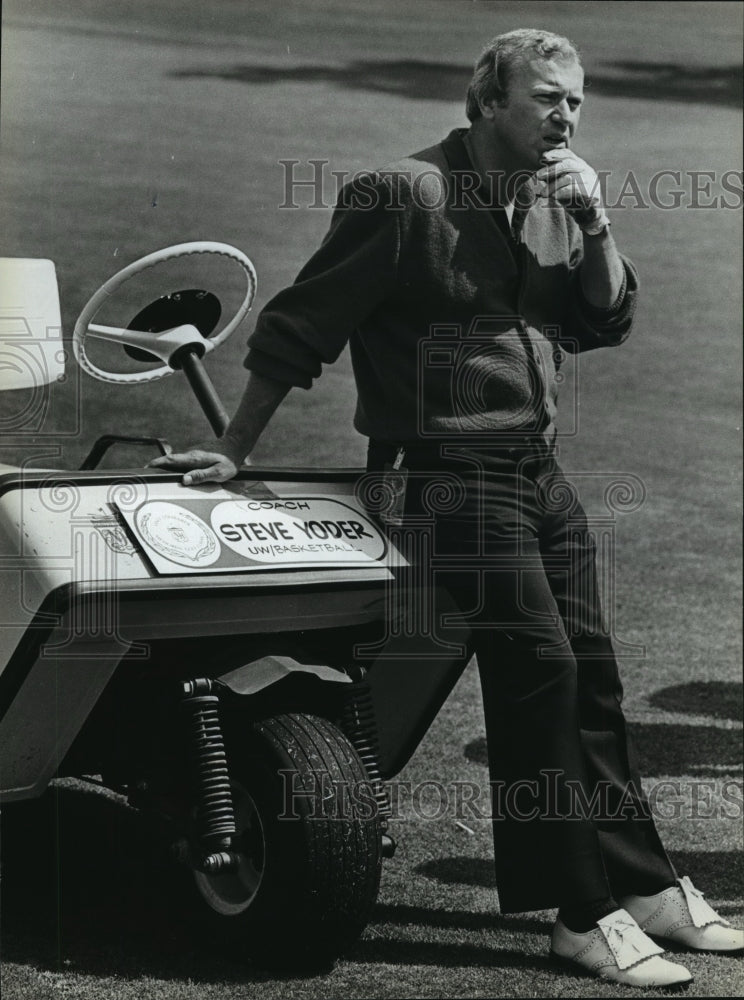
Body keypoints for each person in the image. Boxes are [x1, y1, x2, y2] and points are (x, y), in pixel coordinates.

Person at [151, 29, 743, 988]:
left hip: (534, 470)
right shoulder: (403, 195)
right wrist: (233, 449)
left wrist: (596, 225)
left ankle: (646, 889)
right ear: (489, 102)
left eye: (577, 102)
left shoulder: (556, 199)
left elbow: (602, 322)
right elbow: (303, 326)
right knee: (538, 667)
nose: (567, 117)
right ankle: (579, 914)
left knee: (590, 671)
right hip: (442, 473)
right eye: (548, 99)